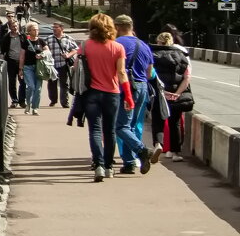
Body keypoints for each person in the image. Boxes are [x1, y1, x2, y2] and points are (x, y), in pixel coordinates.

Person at [81, 12, 133, 182]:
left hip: (91, 94)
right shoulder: (118, 48)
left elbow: (78, 69)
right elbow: (122, 73)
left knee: (95, 130)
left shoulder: (86, 45)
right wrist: (129, 97)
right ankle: (110, 166)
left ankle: (99, 165)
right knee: (109, 130)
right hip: (112, 94)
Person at [113, 14, 162, 175]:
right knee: (132, 125)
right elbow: (149, 73)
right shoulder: (144, 45)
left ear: (118, 27)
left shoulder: (116, 44)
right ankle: (129, 163)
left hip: (125, 88)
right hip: (143, 87)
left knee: (120, 126)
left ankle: (143, 151)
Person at [151, 32, 193, 162]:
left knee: (158, 120)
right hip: (176, 95)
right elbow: (187, 77)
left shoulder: (154, 55)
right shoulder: (181, 55)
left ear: (158, 41)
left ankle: (158, 144)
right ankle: (175, 152)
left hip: (160, 94)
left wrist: (163, 92)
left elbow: (151, 75)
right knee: (175, 123)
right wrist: (177, 93)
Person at [46, 22, 78, 108]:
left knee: (64, 84)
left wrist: (68, 55)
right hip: (52, 64)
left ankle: (64, 102)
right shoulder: (49, 38)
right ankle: (53, 100)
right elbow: (45, 49)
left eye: (56, 27)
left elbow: (75, 49)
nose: (54, 29)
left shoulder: (68, 38)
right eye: (53, 28)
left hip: (63, 64)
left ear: (61, 28)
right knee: (52, 83)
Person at [19, 22, 48, 115]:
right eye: (34, 29)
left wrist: (42, 54)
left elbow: (48, 51)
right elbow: (22, 56)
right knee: (31, 86)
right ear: (29, 31)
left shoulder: (41, 41)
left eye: (37, 29)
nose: (36, 31)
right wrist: (20, 69)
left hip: (39, 67)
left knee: (38, 89)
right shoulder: (26, 42)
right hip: (28, 67)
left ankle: (35, 108)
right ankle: (28, 103)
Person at [3, 19, 25, 108]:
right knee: (12, 82)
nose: (15, 28)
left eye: (16, 26)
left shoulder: (23, 36)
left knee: (23, 82)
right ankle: (14, 100)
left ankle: (22, 100)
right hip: (11, 61)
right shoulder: (6, 37)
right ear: (10, 27)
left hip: (22, 61)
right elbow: (3, 49)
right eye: (13, 26)